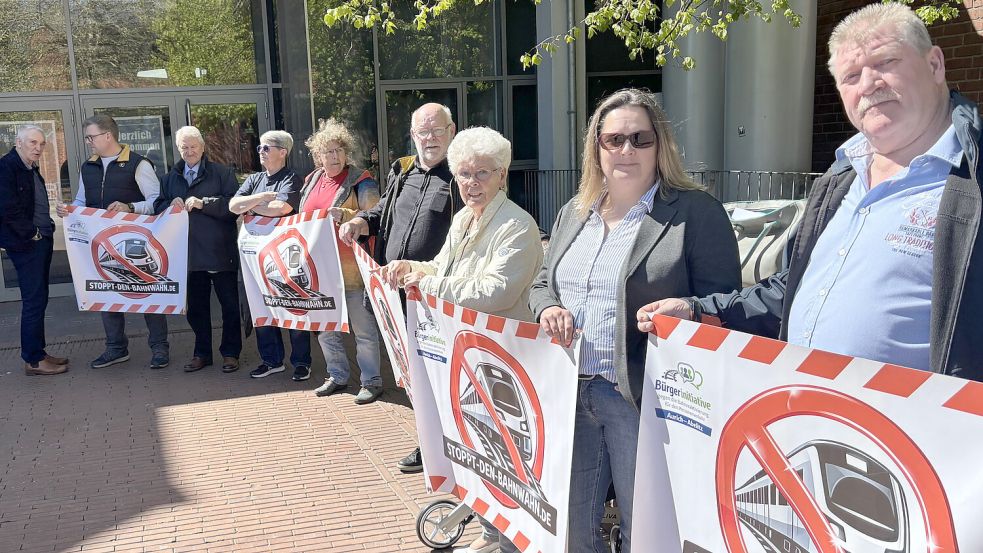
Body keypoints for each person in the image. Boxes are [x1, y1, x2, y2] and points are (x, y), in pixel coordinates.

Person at [637, 4, 983, 381]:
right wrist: (699, 311)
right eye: (851, 75)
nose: (868, 84)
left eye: (885, 62)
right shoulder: (840, 179)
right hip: (810, 420)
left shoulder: (974, 179)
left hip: (919, 434)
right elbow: (793, 290)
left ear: (934, 65)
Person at [528, 88, 741, 552]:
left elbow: (728, 301)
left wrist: (688, 309)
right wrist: (547, 308)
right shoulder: (575, 211)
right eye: (614, 140)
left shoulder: (694, 212)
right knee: (570, 526)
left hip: (643, 401)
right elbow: (542, 281)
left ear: (660, 144)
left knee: (644, 530)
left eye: (640, 139)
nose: (626, 150)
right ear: (596, 147)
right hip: (571, 392)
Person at [382, 127, 542, 553]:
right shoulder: (462, 218)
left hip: (504, 361)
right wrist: (410, 266)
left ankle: (508, 540)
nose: (471, 183)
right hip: (467, 356)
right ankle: (491, 535)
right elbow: (442, 267)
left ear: (503, 174)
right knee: (478, 454)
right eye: (464, 173)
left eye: (482, 173)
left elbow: (497, 292)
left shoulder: (518, 226)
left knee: (505, 461)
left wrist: (427, 284)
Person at [338, 103, 462, 473]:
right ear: (413, 136)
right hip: (396, 297)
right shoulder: (402, 173)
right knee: (412, 373)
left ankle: (446, 448)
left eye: (437, 130)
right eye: (423, 132)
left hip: (435, 299)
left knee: (439, 375)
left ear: (452, 131)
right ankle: (429, 440)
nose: (430, 138)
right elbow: (382, 214)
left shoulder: (461, 176)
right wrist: (361, 221)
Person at [58, 114, 168, 370]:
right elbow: (82, 200)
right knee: (106, 293)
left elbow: (157, 201)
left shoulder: (139, 164)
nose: (88, 142)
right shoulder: (88, 167)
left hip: (136, 242)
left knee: (147, 293)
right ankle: (116, 348)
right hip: (103, 244)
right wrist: (70, 209)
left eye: (91, 137)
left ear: (108, 136)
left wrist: (130, 207)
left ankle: (160, 347)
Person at [300, 119, 384, 404]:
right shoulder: (311, 180)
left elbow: (376, 216)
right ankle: (337, 375)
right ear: (318, 155)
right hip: (321, 271)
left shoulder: (361, 180)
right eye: (328, 152)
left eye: (338, 151)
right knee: (326, 329)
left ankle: (371, 380)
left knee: (363, 330)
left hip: (352, 271)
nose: (334, 157)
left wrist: (347, 216)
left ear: (346, 152)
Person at [154, 126, 242, 373]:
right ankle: (202, 353)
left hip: (220, 251)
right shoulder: (169, 178)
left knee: (230, 307)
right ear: (179, 150)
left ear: (203, 148)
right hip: (188, 256)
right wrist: (168, 204)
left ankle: (231, 353)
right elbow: (158, 206)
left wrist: (205, 204)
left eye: (194, 146)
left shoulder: (222, 173)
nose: (190, 151)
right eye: (185, 147)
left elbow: (234, 205)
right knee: (196, 309)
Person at [229, 130, 309, 380]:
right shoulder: (254, 180)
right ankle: (272, 360)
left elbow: (281, 208)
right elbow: (233, 206)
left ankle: (301, 362)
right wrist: (262, 198)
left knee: (292, 306)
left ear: (282, 151)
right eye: (260, 148)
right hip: (257, 258)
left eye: (266, 148)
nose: (260, 152)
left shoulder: (292, 179)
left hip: (285, 255)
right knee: (262, 307)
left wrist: (251, 205)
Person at [0, 125, 69, 376]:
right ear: (18, 142)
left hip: (41, 239)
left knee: (39, 299)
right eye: (32, 143)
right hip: (28, 244)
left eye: (41, 144)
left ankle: (39, 352)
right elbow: (7, 209)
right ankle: (34, 360)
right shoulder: (7, 167)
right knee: (33, 301)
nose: (38, 148)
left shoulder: (29, 166)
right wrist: (33, 234)